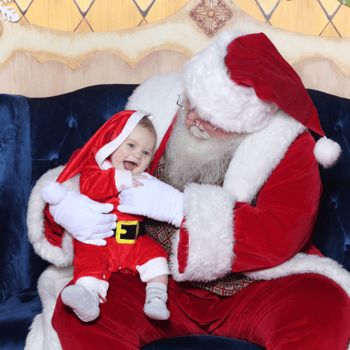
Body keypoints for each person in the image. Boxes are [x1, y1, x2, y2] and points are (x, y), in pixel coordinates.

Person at [27, 31, 350, 350]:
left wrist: (180, 208)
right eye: (191, 104)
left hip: (251, 289)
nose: (192, 119)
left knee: (325, 308)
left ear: (241, 123)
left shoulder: (289, 144)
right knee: (79, 314)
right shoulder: (158, 101)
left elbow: (282, 232)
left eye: (208, 119)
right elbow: (94, 162)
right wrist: (65, 207)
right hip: (148, 276)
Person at [41, 110, 171, 322]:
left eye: (146, 153)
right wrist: (121, 179)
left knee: (156, 255)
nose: (138, 155)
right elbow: (91, 188)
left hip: (133, 241)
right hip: (101, 241)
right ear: (113, 143)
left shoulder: (145, 179)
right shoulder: (98, 168)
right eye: (131, 145)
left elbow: (161, 203)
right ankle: (89, 298)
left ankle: (156, 297)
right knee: (88, 259)